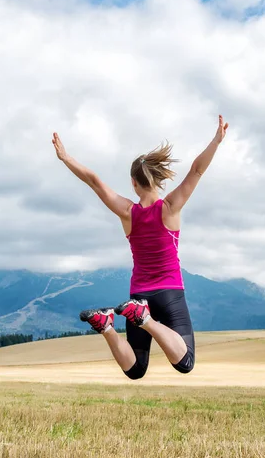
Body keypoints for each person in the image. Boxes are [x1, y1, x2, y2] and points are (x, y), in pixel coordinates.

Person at [51, 115, 229, 379]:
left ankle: (107, 326)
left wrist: (66, 158)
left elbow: (94, 181)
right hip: (169, 292)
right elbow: (196, 170)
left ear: (134, 183)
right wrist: (216, 140)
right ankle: (145, 319)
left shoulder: (127, 212)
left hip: (138, 294)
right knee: (186, 362)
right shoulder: (170, 207)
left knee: (135, 369)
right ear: (156, 180)